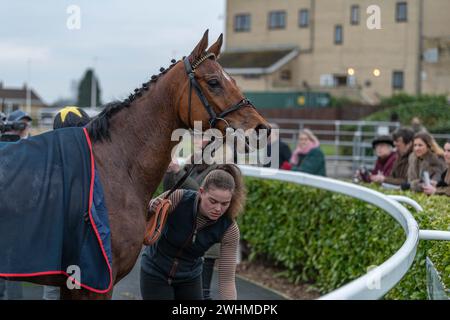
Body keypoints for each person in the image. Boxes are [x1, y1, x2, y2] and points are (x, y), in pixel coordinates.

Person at [140, 164, 244, 300]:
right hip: (155, 271)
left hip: (189, 278)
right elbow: (141, 215)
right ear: (201, 192)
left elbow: (227, 281)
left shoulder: (229, 229)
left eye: (225, 204)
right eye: (213, 201)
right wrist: (151, 207)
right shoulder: (178, 198)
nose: (218, 208)